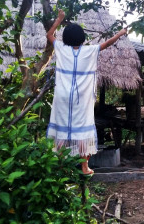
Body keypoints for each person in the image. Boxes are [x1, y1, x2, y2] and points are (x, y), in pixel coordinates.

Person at [46, 9, 127, 175]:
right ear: (82, 37)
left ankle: (61, 166)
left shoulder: (61, 48)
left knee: (62, 128)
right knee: (84, 129)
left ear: (66, 38)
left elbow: (49, 35)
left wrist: (59, 19)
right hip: (82, 98)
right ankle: (84, 167)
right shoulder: (90, 51)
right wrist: (119, 34)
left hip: (62, 96)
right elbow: (108, 43)